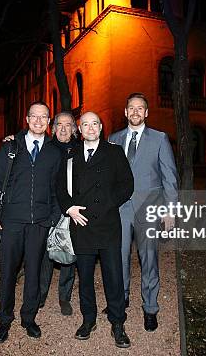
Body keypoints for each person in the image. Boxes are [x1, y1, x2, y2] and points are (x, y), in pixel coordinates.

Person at [0, 101, 62, 344]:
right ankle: (4, 319)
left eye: (43, 117)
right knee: (7, 273)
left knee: (34, 273)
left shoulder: (53, 152)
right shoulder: (10, 148)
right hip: (11, 222)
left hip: (39, 223)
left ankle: (29, 317)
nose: (38, 121)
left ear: (48, 122)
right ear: (27, 119)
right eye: (34, 117)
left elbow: (57, 189)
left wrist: (52, 218)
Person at [56, 111, 134, 348]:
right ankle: (88, 319)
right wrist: (69, 208)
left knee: (114, 277)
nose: (90, 128)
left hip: (108, 225)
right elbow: (59, 186)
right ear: (79, 130)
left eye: (94, 124)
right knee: (85, 277)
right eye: (85, 124)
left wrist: (108, 204)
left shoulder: (114, 152)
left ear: (101, 127)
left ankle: (118, 322)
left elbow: (127, 185)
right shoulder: (71, 154)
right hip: (81, 226)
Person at [108, 93, 179, 332]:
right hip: (120, 209)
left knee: (149, 260)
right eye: (131, 108)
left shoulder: (159, 139)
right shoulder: (113, 139)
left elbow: (170, 176)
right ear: (125, 112)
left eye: (140, 108)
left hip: (149, 207)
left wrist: (170, 210)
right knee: (119, 257)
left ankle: (150, 308)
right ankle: (122, 298)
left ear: (147, 113)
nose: (136, 112)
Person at [3, 111, 79, 316]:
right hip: (48, 208)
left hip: (73, 209)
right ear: (52, 128)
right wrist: (16, 136)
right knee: (43, 255)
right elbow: (28, 139)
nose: (63, 129)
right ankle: (41, 294)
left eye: (68, 125)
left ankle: (64, 296)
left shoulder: (80, 150)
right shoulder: (47, 147)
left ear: (74, 129)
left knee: (69, 252)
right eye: (59, 125)